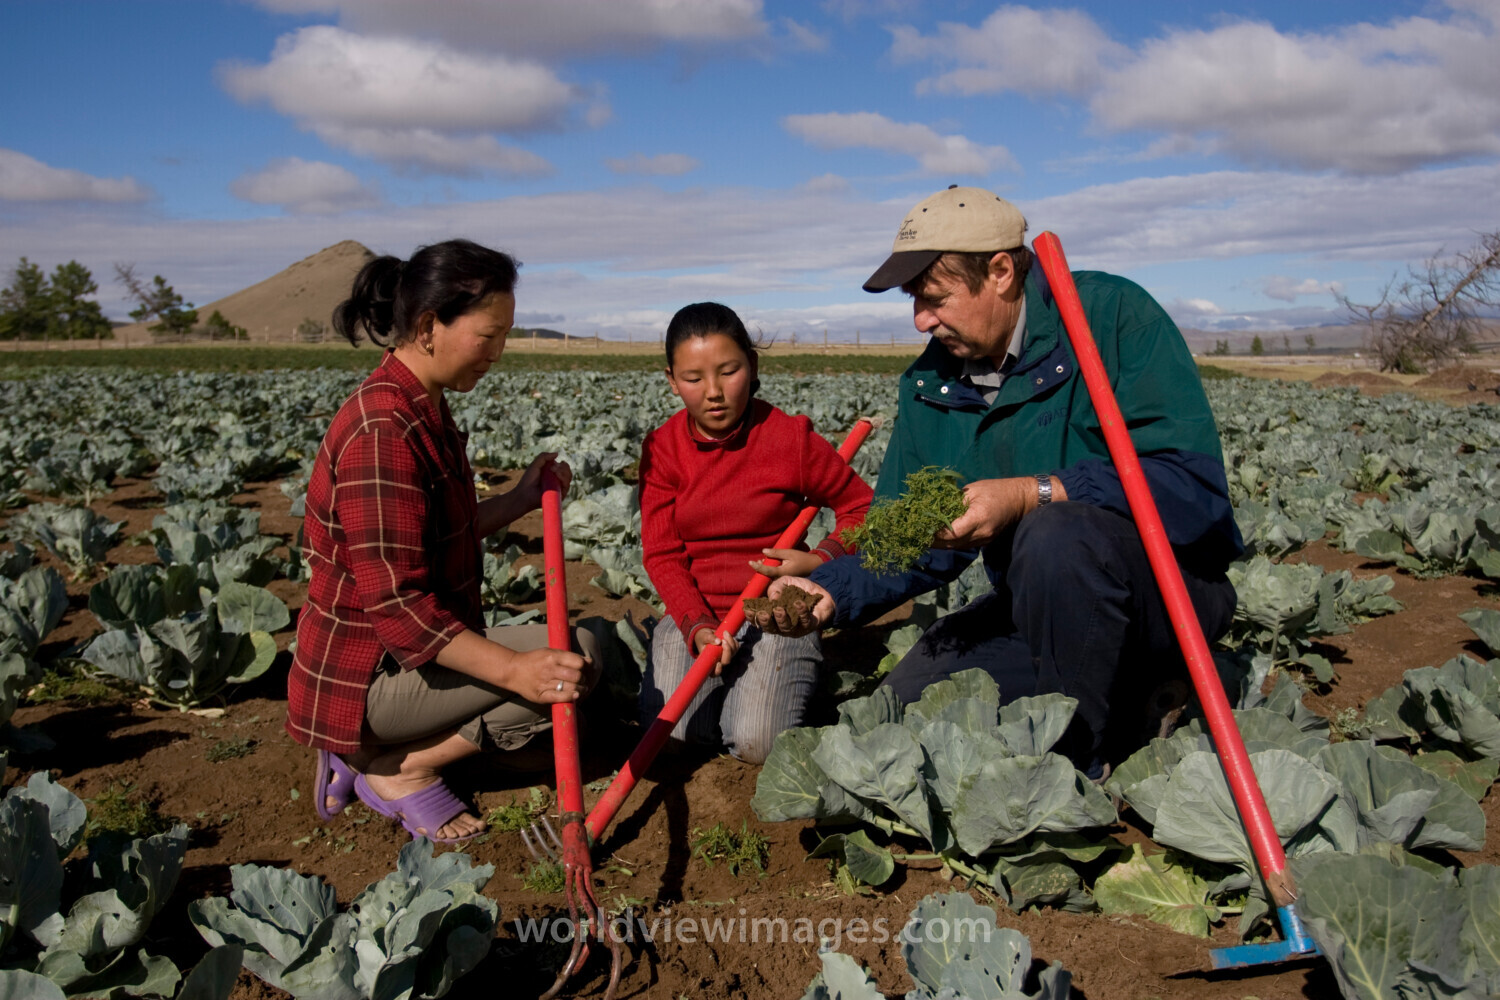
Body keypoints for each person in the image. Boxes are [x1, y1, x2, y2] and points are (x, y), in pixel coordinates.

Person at [750, 186, 1242, 776]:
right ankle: (1137, 694)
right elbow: (906, 539)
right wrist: (831, 589)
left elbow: (1193, 487)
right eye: (915, 301)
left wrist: (1032, 493)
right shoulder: (932, 382)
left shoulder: (1111, 318)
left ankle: (1074, 769)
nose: (920, 320)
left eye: (935, 298)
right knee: (907, 707)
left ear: (1002, 272)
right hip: (1038, 606)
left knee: (1056, 535)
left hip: (1168, 595)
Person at [286, 238, 599, 843]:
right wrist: (514, 669)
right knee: (570, 660)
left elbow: (433, 534)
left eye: (504, 336)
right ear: (429, 326)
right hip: (369, 677)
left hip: (402, 663)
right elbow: (400, 607)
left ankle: (392, 751)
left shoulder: (420, 404)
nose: (498, 353)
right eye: (488, 336)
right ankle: (393, 767)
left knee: (574, 670)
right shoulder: (384, 428)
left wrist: (517, 500)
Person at [636, 302, 873, 764]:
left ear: (752, 365)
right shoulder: (663, 449)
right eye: (693, 378)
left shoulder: (789, 439)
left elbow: (861, 507)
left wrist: (819, 559)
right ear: (671, 380)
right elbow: (662, 554)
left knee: (756, 745)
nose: (714, 392)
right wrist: (696, 627)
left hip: (776, 610)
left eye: (729, 371)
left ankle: (782, 681)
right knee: (676, 737)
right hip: (696, 611)